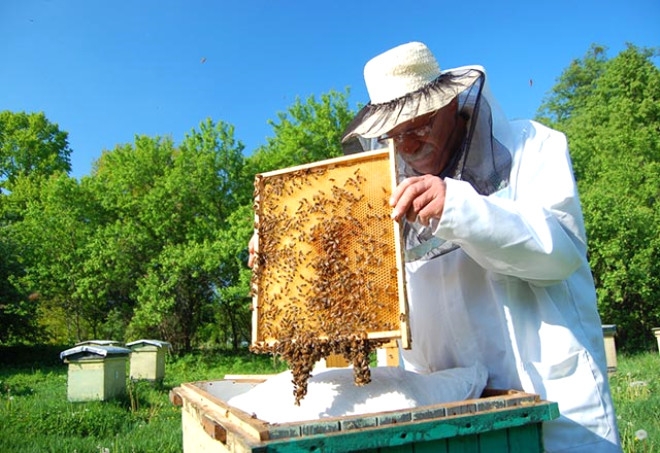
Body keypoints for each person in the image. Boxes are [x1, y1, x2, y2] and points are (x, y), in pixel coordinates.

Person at [248, 41, 621, 452]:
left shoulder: (533, 148)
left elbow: (560, 254)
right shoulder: (384, 186)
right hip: (449, 408)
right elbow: (339, 258)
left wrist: (459, 207)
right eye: (394, 135)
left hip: (550, 404)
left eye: (417, 128)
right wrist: (284, 252)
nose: (406, 146)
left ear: (452, 104)